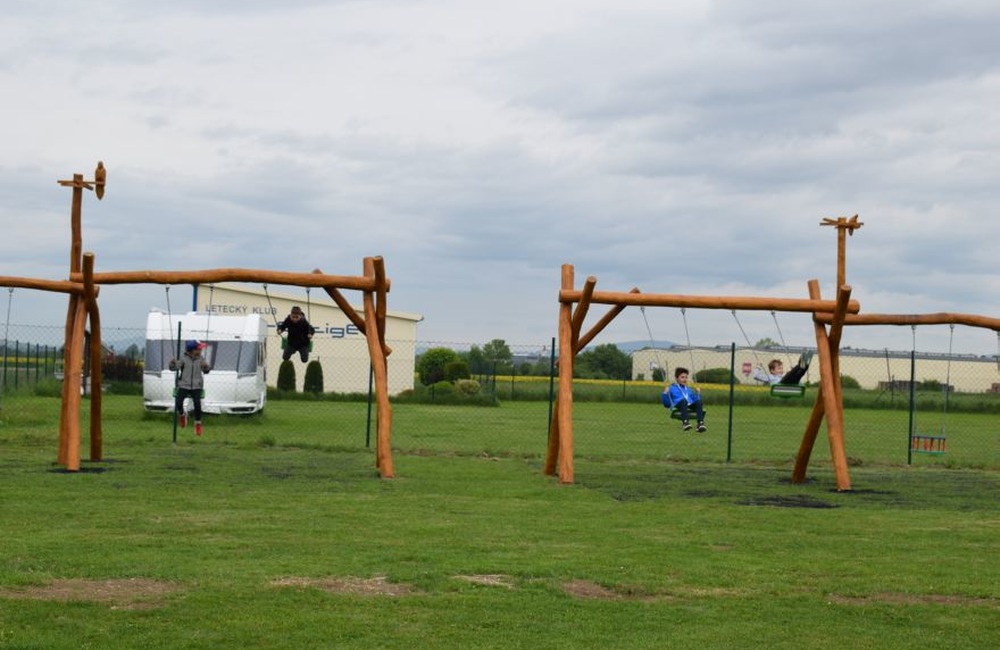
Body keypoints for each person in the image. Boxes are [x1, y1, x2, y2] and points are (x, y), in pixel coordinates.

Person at [170, 340, 210, 436]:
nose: (201, 351)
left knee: (197, 404)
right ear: (192, 350)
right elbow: (174, 368)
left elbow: (206, 371)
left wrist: (206, 367)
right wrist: (172, 364)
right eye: (199, 349)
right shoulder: (183, 359)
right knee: (178, 402)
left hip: (196, 386)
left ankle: (198, 424)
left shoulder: (201, 359)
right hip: (184, 385)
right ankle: (182, 415)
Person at [663, 367, 706, 432]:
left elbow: (696, 400)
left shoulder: (688, 389)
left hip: (688, 404)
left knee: (699, 402)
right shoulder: (671, 388)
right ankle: (685, 423)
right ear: (677, 378)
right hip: (679, 404)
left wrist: (698, 393)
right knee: (683, 401)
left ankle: (700, 423)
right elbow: (666, 404)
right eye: (682, 377)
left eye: (686, 377)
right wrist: (665, 393)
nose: (685, 379)